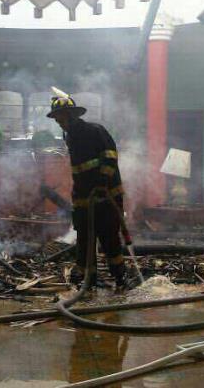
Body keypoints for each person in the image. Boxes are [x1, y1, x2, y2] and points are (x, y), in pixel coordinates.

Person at [48, 91, 126, 289]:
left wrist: (101, 184)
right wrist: (78, 197)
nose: (59, 123)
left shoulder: (95, 131)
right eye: (56, 119)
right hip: (83, 197)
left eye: (60, 118)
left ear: (71, 116)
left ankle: (120, 278)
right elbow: (80, 171)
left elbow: (110, 158)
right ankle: (87, 277)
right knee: (84, 236)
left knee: (108, 237)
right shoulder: (71, 137)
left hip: (106, 195)